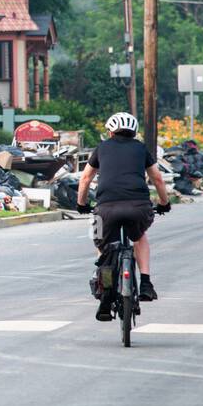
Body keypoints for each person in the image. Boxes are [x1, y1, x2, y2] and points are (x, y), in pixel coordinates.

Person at [76, 112, 172, 320]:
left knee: (103, 247)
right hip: (138, 207)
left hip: (106, 209)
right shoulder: (141, 148)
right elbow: (157, 178)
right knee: (139, 237)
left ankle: (105, 297)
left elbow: (85, 179)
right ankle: (145, 282)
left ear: (110, 132)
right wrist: (165, 203)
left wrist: (81, 204)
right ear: (134, 132)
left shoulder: (101, 148)